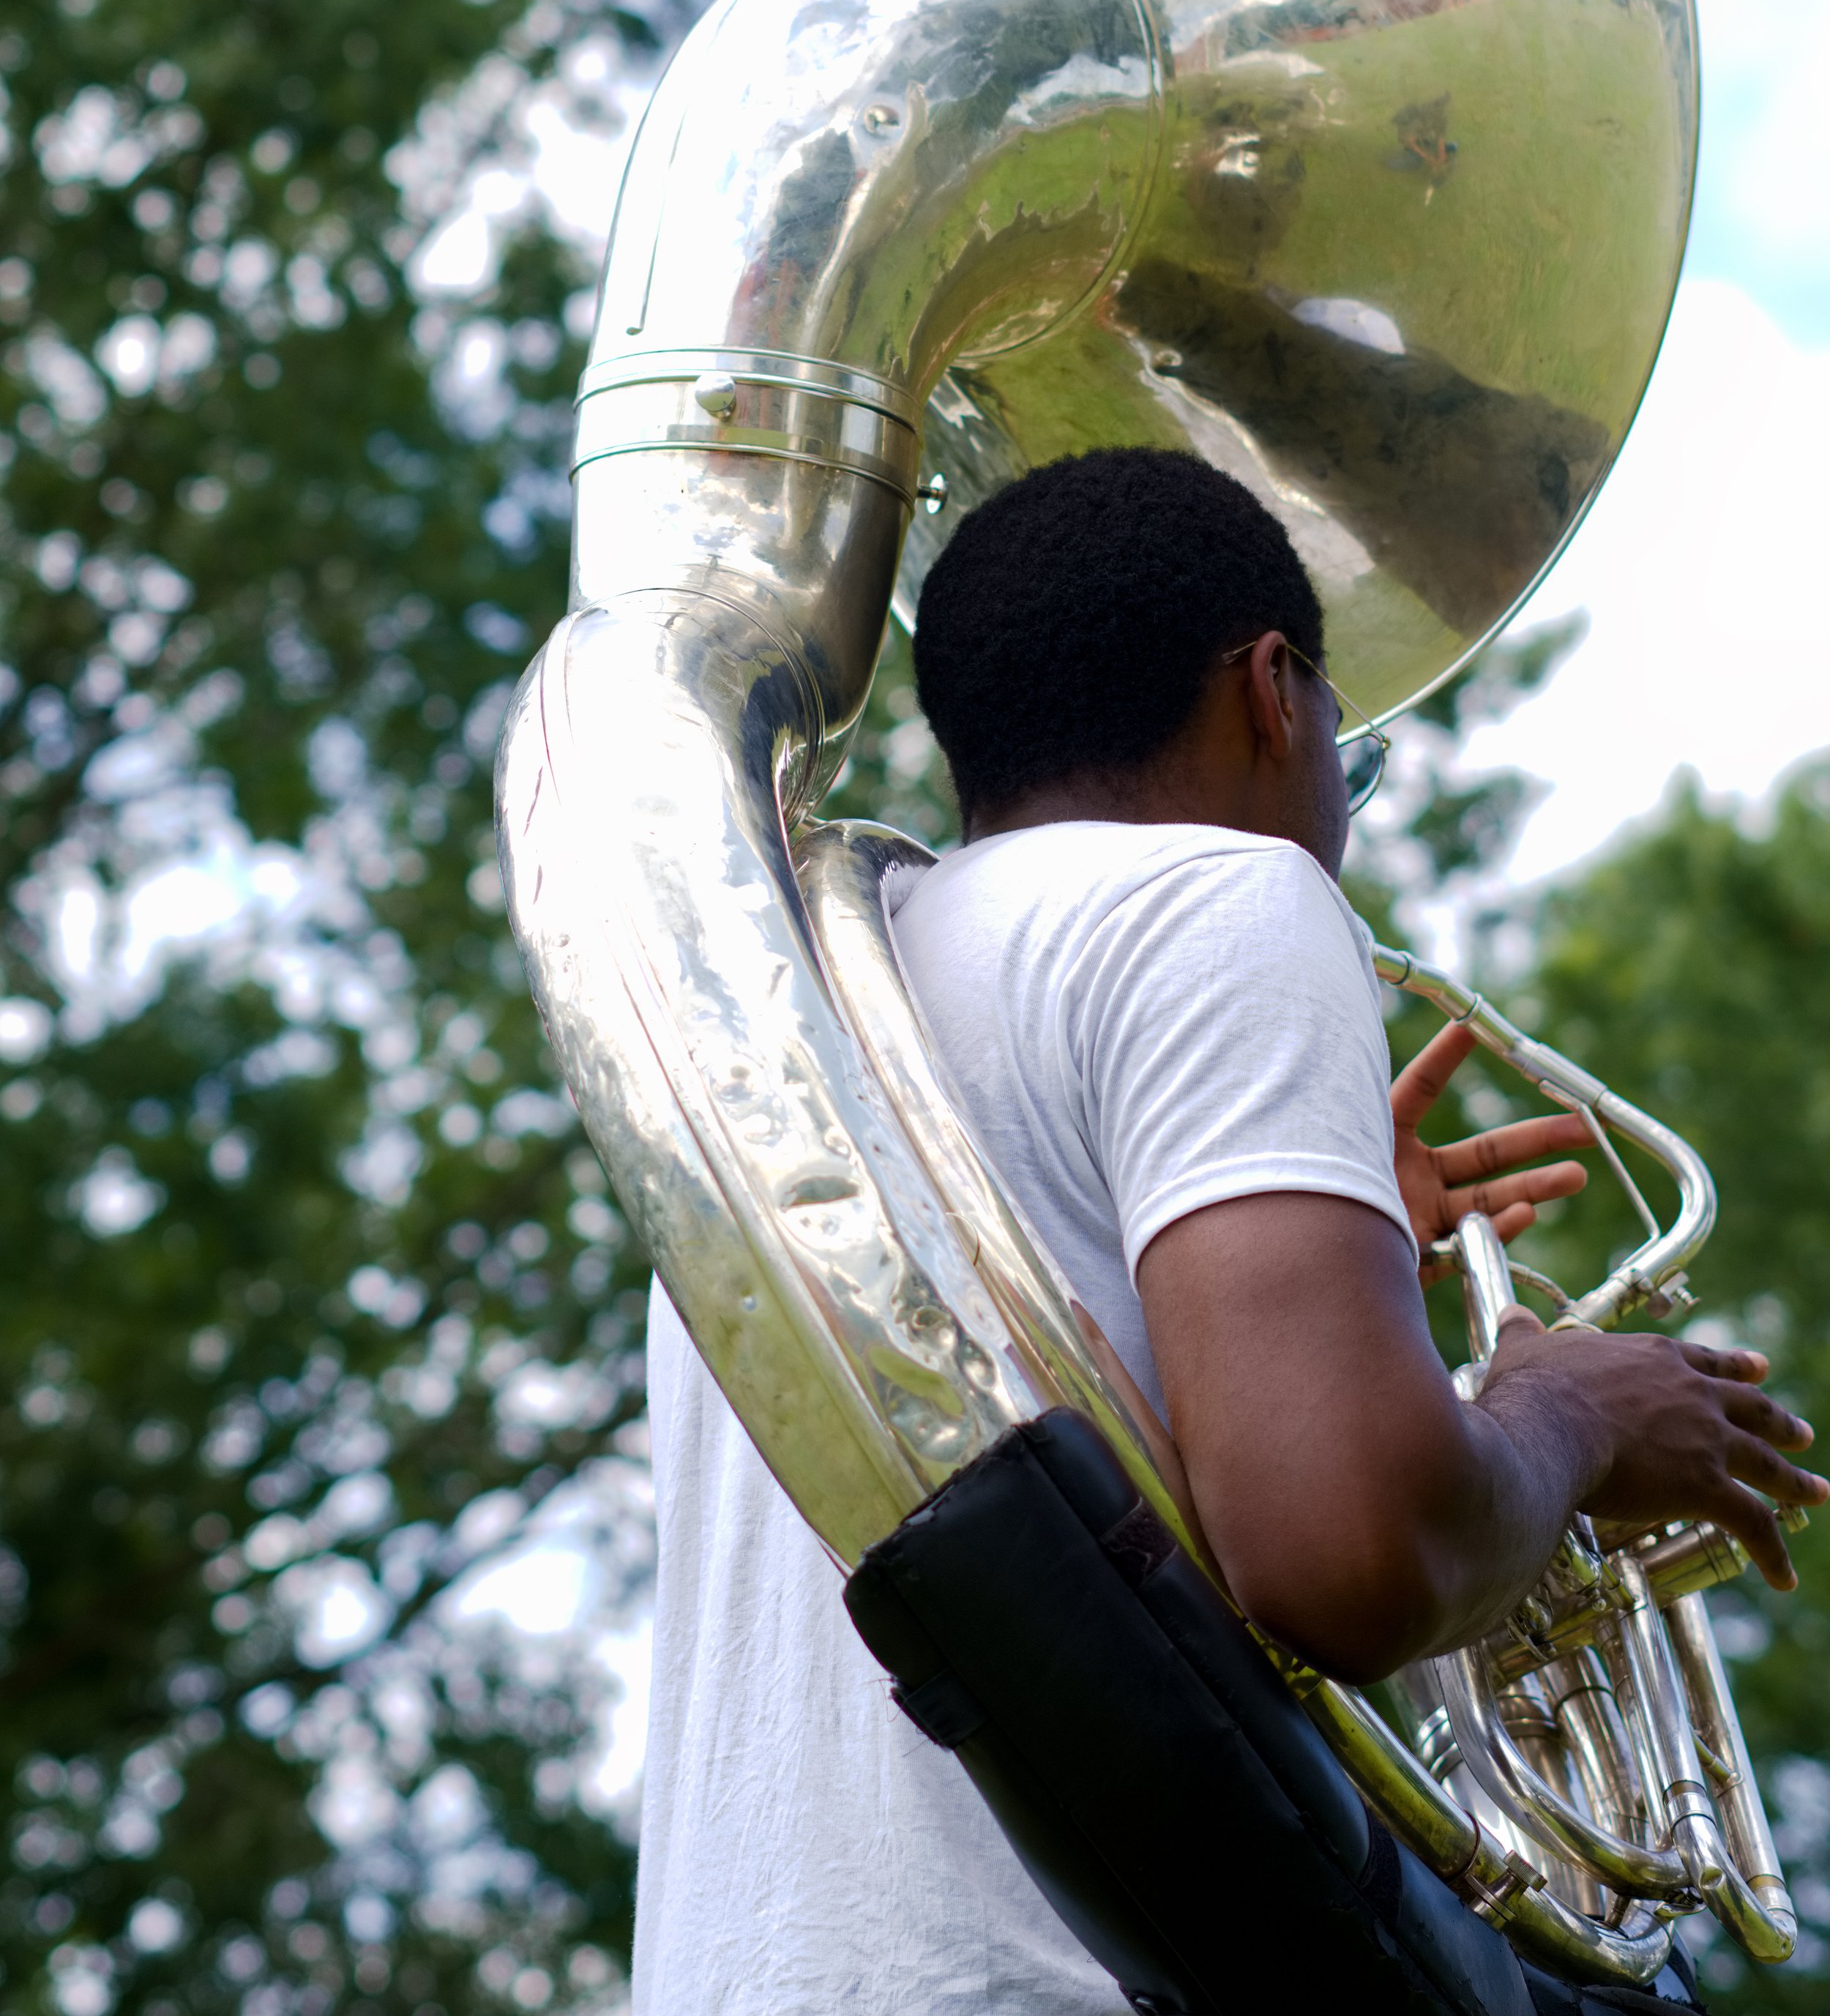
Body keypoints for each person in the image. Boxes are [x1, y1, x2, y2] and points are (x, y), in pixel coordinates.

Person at [630, 447, 1825, 2016]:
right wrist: (1570, 1411)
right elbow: (1344, 1556)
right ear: (1274, 693)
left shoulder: (798, 1058)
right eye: (1350, 752)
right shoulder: (1219, 895)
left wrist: (1321, 1256)